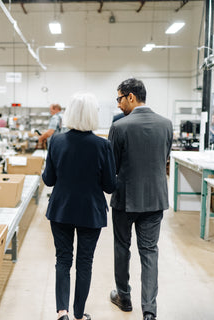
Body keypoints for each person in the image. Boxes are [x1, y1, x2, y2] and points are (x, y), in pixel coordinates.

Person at [42, 93, 116, 320]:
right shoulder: (103, 145)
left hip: (61, 209)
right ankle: (78, 314)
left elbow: (49, 180)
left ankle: (61, 311)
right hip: (90, 212)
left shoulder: (56, 140)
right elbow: (110, 186)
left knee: (63, 259)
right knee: (85, 262)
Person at [108, 78, 173, 320]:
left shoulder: (120, 126)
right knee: (149, 252)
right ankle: (149, 311)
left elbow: (111, 166)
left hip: (125, 199)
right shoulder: (166, 124)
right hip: (155, 199)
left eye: (119, 98)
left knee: (121, 248)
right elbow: (163, 158)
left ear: (131, 97)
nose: (118, 104)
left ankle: (124, 297)